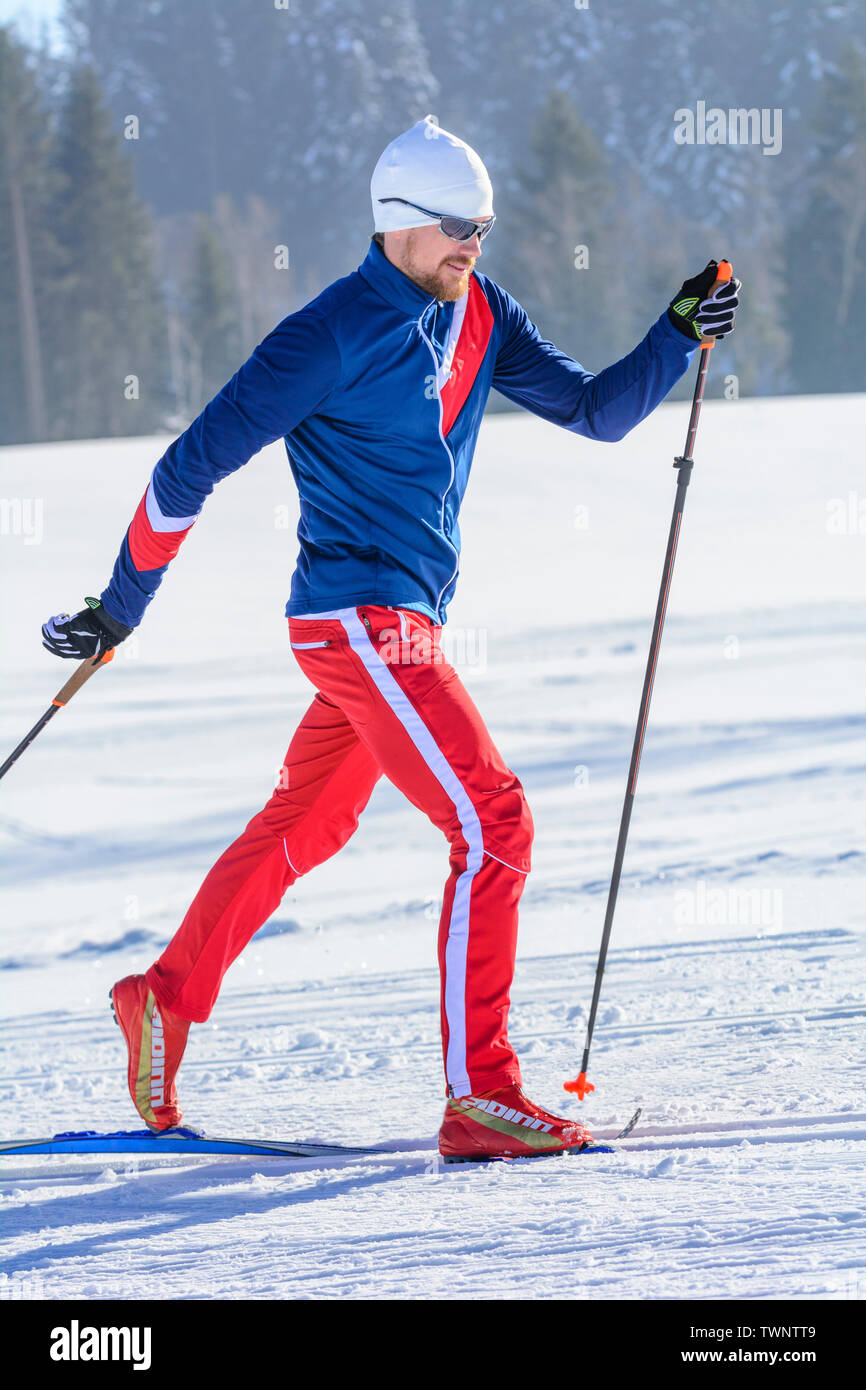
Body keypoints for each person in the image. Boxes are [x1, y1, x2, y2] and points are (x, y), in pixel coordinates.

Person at [42, 115, 739, 1161]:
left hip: (397, 626)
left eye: (484, 227)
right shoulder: (324, 334)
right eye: (458, 226)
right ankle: (481, 1095)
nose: (474, 244)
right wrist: (120, 607)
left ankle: (162, 998)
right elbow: (189, 466)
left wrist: (675, 331)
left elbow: (595, 411)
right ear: (399, 223)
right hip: (355, 619)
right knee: (494, 819)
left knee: (307, 823)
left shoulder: (481, 312)